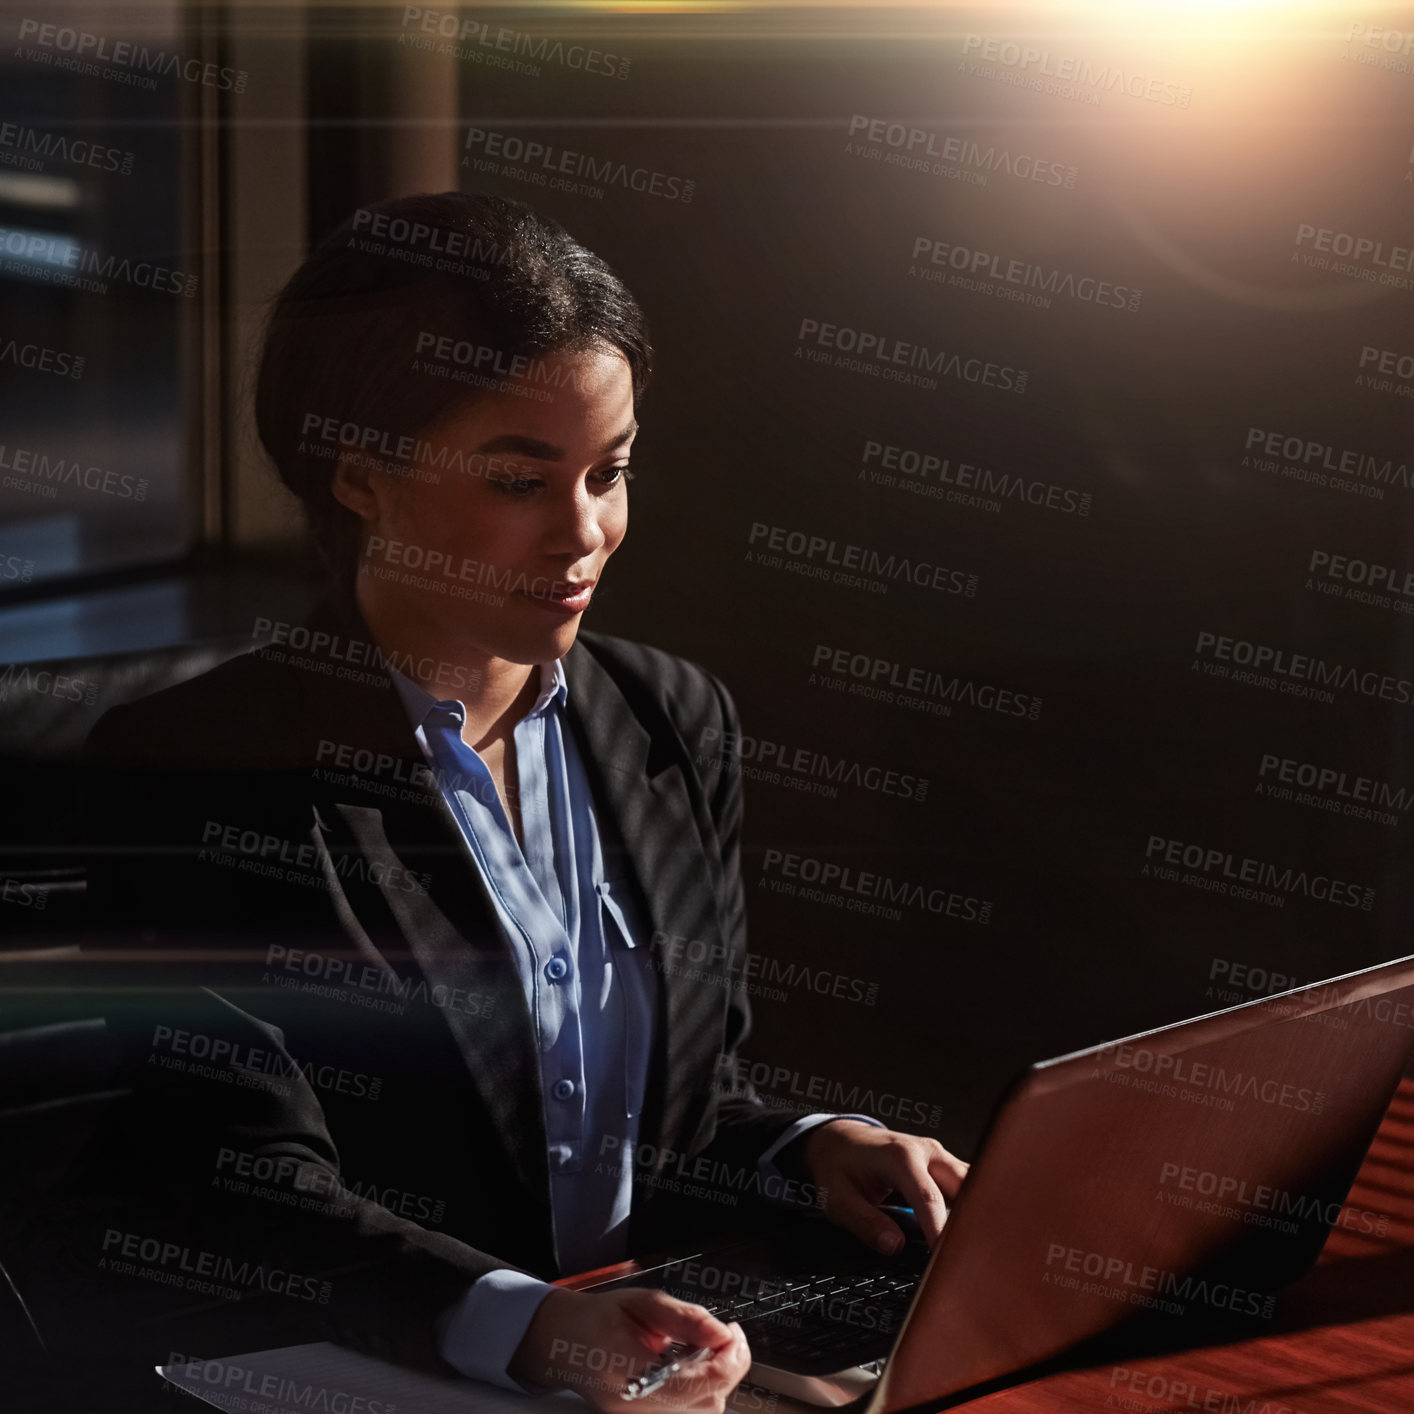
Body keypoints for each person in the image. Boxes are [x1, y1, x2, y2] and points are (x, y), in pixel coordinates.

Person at [72, 191, 967, 1412]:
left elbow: (679, 1112)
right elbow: (239, 1180)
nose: (584, 533)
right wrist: (532, 1328)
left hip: (648, 1355)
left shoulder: (670, 718)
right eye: (518, 480)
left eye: (611, 472)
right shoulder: (200, 766)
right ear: (360, 479)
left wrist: (805, 1151)